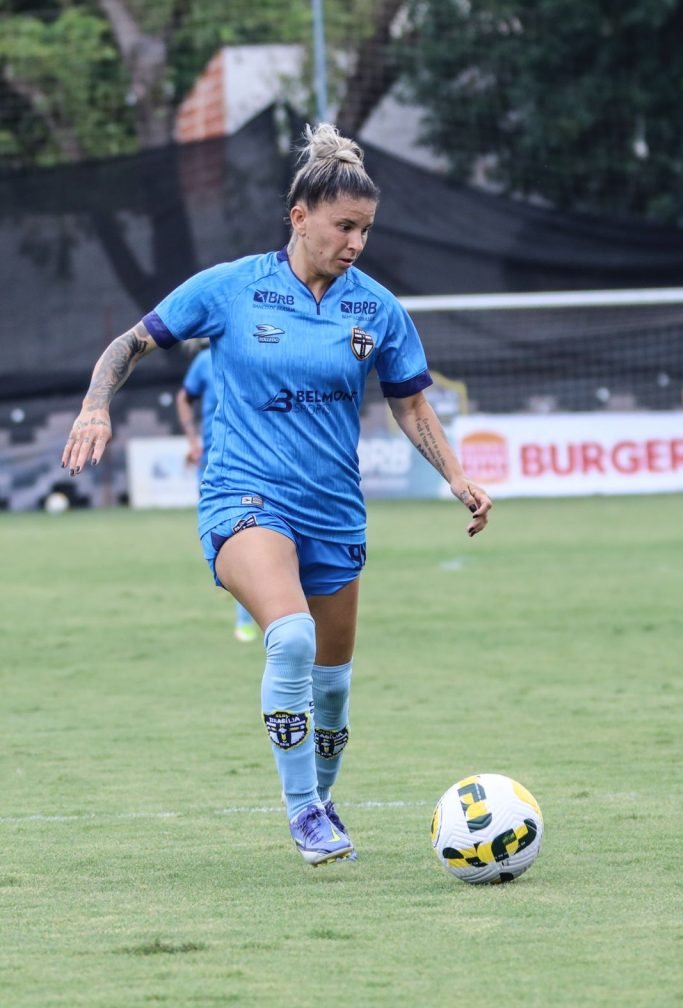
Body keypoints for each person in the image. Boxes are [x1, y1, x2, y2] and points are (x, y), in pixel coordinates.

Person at [62, 123, 492, 863]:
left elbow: (411, 402)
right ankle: (303, 816)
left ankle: (322, 797)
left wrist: (454, 474)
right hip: (244, 498)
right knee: (289, 639)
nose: (356, 242)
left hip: (335, 513)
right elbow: (129, 343)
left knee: (331, 688)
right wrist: (96, 402)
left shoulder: (376, 310)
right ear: (300, 217)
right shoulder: (231, 287)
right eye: (343, 226)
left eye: (365, 230)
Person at [175, 339, 259, 642]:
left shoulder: (260, 353)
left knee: (263, 541)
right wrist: (192, 440)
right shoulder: (204, 362)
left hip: (257, 465)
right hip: (214, 470)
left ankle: (259, 615)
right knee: (233, 542)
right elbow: (184, 398)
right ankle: (245, 612)